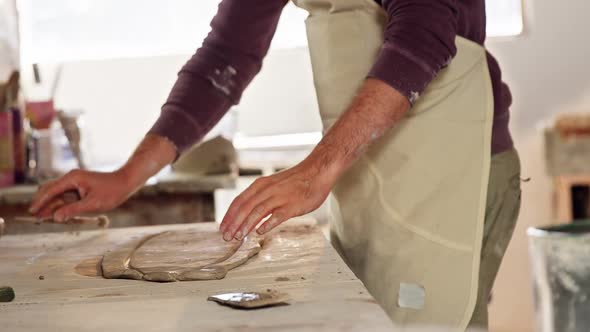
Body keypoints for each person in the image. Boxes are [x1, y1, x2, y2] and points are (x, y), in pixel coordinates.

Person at [29, 0, 521, 330]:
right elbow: (225, 57)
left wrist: (315, 170)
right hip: (368, 172)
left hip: (455, 167)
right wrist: (127, 176)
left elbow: (422, 36)